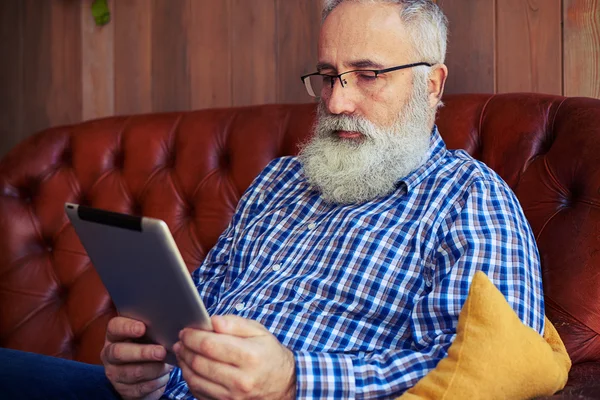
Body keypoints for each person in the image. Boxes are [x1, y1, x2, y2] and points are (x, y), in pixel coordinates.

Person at [0, 0, 544, 399]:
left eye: (369, 75)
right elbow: (201, 310)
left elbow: (467, 376)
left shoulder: (470, 201)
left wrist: (293, 381)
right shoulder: (280, 180)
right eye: (329, 76)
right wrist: (148, 369)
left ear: (431, 84)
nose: (339, 100)